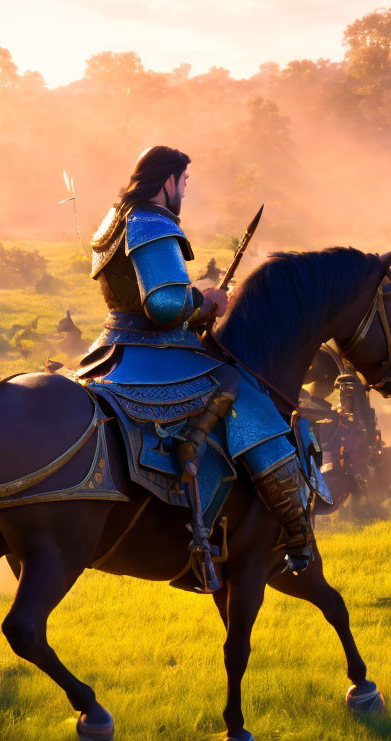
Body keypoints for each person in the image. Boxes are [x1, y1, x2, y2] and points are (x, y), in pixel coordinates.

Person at [79, 145, 320, 583]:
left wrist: (200, 310)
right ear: (168, 181)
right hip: (155, 350)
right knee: (246, 395)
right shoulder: (151, 221)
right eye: (184, 182)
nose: (185, 192)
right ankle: (295, 532)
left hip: (111, 347)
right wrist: (205, 299)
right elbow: (164, 302)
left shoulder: (113, 221)